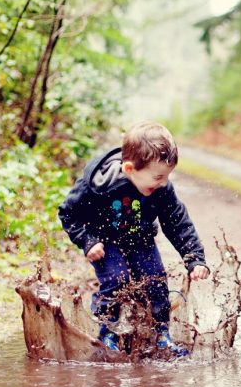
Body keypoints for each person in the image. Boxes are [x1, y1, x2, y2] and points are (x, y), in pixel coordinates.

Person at [58, 121, 209, 357]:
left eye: (167, 176)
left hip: (141, 240)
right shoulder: (99, 185)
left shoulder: (161, 189)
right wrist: (88, 240)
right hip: (105, 242)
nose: (163, 183)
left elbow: (177, 222)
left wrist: (195, 258)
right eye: (158, 177)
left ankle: (160, 334)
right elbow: (68, 213)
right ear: (129, 168)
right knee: (116, 280)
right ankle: (108, 333)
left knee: (155, 280)